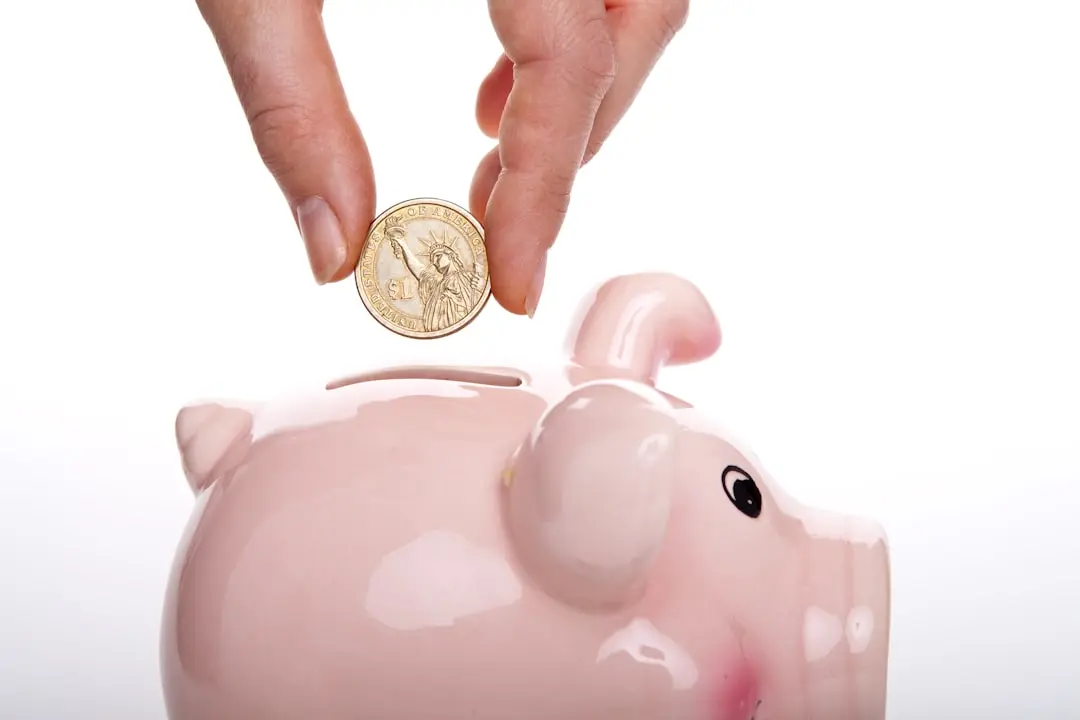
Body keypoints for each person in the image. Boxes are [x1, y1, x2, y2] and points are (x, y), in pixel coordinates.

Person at [194, 0, 689, 317]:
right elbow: (412, 264)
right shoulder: (432, 276)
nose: (438, 260)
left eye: (440, 258)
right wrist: (401, 248)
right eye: (438, 258)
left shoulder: (445, 280)